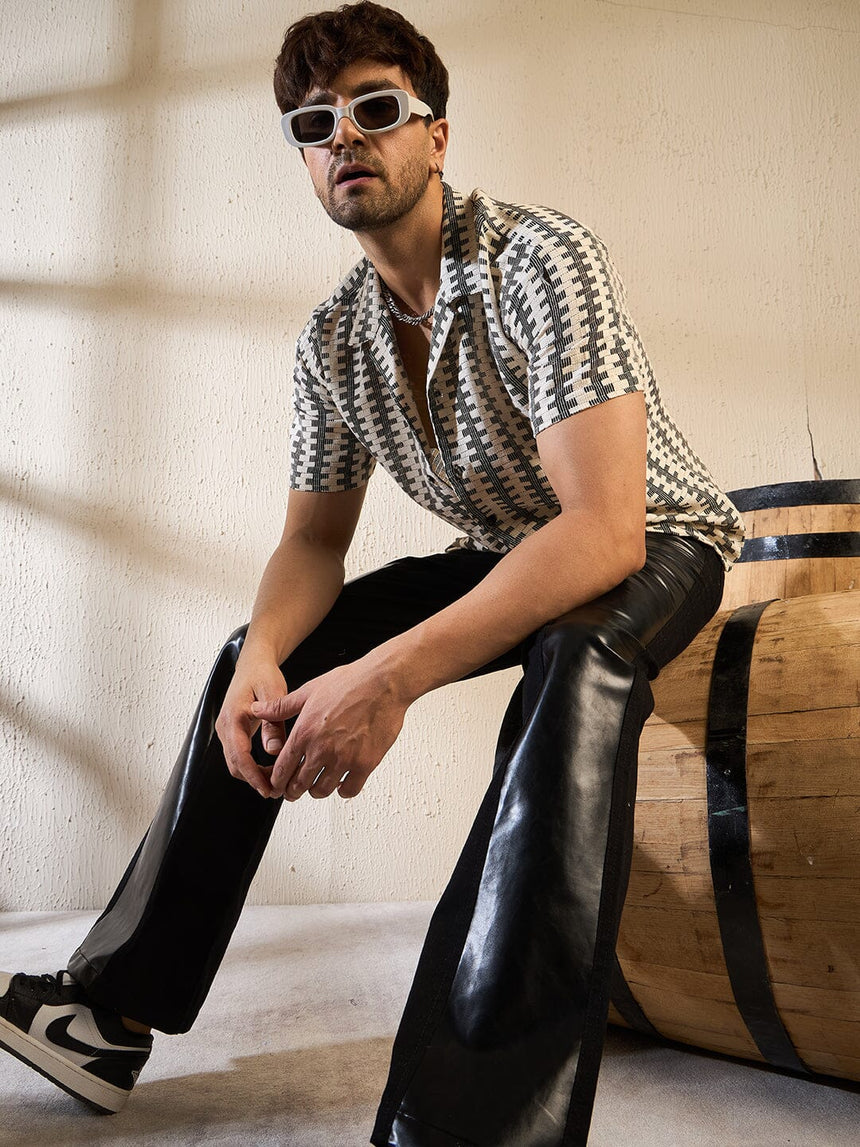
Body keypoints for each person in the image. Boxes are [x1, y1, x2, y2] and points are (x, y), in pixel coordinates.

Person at [0, 3, 744, 1143]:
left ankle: (480, 1116)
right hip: (502, 550)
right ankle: (109, 1011)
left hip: (659, 536)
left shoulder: (540, 259)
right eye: (314, 124)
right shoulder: (332, 340)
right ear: (304, 160)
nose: (343, 135)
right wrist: (262, 658)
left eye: (374, 108)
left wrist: (388, 679)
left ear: (433, 134)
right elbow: (311, 543)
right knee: (261, 655)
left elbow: (602, 535)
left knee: (578, 651)